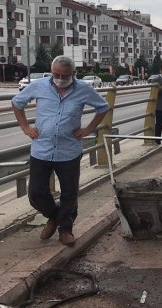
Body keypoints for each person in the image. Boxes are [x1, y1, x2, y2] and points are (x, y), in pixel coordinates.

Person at [11, 55, 110, 246]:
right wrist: (25, 127)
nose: (59, 78)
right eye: (56, 74)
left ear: (73, 74)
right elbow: (17, 103)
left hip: (69, 150)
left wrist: (88, 129)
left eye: (64, 75)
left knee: (69, 193)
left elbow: (103, 107)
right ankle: (55, 216)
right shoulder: (39, 85)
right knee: (36, 193)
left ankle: (65, 229)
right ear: (51, 70)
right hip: (42, 149)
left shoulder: (83, 89)